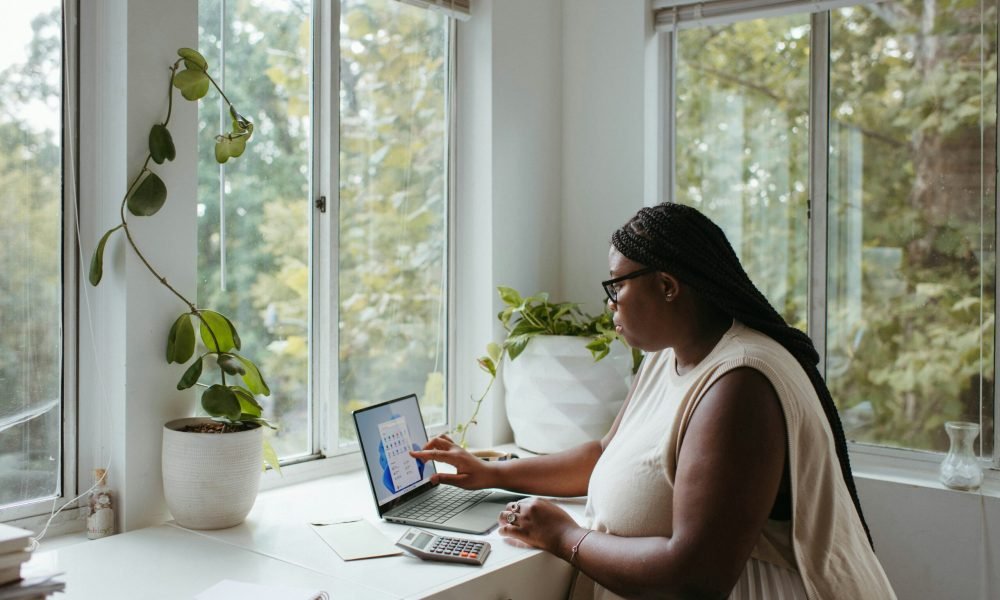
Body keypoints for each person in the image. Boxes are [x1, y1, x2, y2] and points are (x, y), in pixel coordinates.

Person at [412, 202, 896, 599]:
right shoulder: (671, 357)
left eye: (617, 284)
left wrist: (563, 536)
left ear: (666, 286)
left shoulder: (740, 384)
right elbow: (606, 454)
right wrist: (491, 472)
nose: (610, 302)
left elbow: (694, 578)